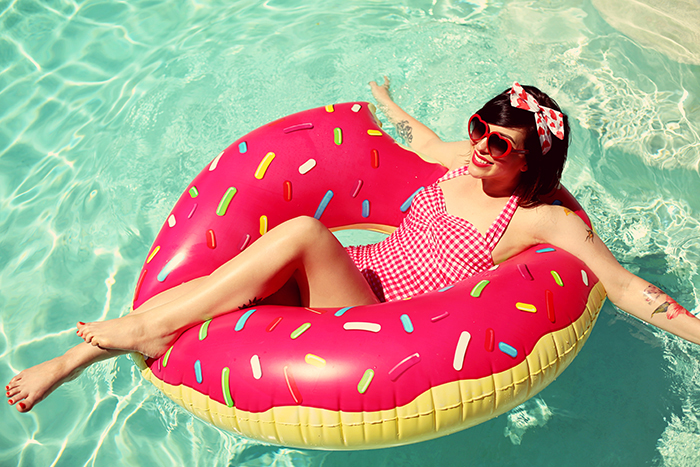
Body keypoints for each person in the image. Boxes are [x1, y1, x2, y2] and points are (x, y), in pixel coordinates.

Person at [6, 79, 699, 413]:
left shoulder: (540, 216)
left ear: (531, 163)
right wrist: (394, 113)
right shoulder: (468, 158)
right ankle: (71, 359)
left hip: (374, 315)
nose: (483, 147)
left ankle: (136, 331)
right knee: (214, 283)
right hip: (355, 273)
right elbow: (427, 147)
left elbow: (626, 285)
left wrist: (693, 328)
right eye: (480, 128)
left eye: (501, 143)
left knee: (305, 231)